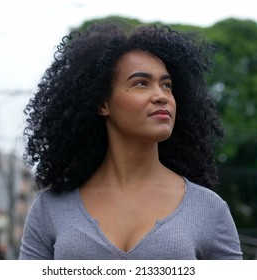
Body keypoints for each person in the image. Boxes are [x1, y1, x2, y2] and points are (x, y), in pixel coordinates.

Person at [18, 22, 243, 260]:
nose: (161, 96)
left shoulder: (209, 209)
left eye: (167, 85)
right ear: (103, 103)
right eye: (141, 83)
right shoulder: (50, 208)